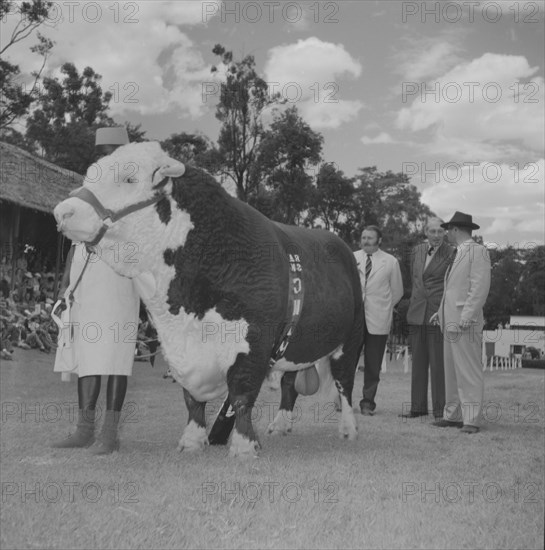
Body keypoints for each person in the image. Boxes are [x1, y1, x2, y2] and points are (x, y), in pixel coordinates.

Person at [52, 127, 140, 454]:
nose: (106, 158)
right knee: (88, 355)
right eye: (102, 153)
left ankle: (110, 434)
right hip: (86, 279)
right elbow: (75, 243)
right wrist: (66, 285)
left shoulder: (135, 193)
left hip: (118, 276)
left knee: (115, 355)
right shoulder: (84, 191)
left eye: (112, 152)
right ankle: (84, 429)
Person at [430, 212, 491, 434]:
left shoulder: (478, 251)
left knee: (468, 370)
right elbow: (452, 290)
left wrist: (467, 317)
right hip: (450, 321)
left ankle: (471, 419)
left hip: (465, 322)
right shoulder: (458, 253)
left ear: (456, 230)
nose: (446, 233)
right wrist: (440, 312)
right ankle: (453, 415)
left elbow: (479, 288)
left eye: (448, 229)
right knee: (452, 370)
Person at [400, 218, 453, 420]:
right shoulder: (417, 251)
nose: (437, 235)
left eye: (440, 231)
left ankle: (440, 411)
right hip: (416, 312)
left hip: (435, 314)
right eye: (432, 231)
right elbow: (415, 281)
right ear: (425, 232)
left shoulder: (452, 252)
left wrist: (442, 311)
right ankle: (418, 407)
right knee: (418, 364)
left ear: (445, 232)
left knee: (438, 365)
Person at [354, 225, 404, 415]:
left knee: (373, 365)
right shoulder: (352, 258)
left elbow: (397, 291)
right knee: (348, 362)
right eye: (363, 237)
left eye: (370, 238)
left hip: (378, 318)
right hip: (354, 319)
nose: (365, 240)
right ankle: (343, 400)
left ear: (379, 240)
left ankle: (367, 402)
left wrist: (384, 307)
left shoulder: (390, 262)